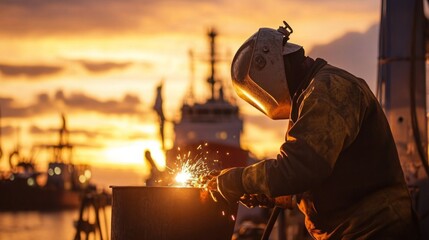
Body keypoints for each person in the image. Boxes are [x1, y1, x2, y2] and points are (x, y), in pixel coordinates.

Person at [208, 21, 420, 239]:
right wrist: (266, 193)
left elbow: (300, 167)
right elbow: (322, 179)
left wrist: (238, 180)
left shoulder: (329, 90)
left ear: (270, 71)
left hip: (376, 231)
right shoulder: (310, 94)